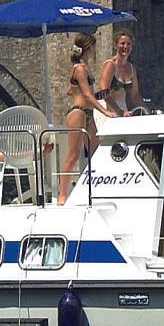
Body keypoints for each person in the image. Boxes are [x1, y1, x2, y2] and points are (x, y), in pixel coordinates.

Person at [61, 32, 111, 199]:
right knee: (73, 155)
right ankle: (62, 195)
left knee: (97, 152)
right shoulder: (80, 69)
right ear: (89, 47)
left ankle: (97, 188)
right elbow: (87, 96)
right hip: (78, 112)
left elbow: (71, 90)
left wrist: (92, 95)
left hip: (86, 113)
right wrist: (104, 111)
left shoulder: (82, 67)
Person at [97, 29, 143, 117]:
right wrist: (119, 111)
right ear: (115, 46)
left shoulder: (131, 68)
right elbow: (104, 92)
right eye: (122, 43)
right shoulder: (110, 65)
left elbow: (135, 95)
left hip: (123, 109)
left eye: (128, 44)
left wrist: (146, 110)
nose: (125, 46)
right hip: (109, 110)